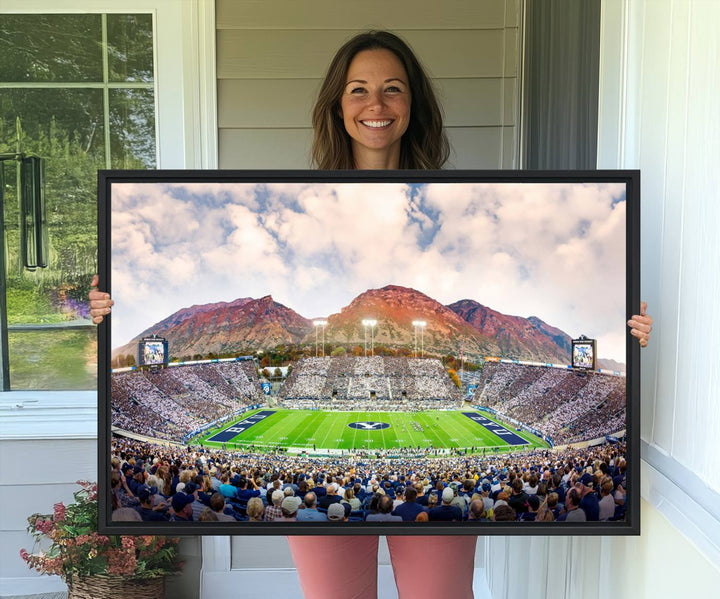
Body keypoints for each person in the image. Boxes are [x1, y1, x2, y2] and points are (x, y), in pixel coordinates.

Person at [90, 29, 654, 599]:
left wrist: (628, 330)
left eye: (393, 89)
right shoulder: (299, 197)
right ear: (338, 104)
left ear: (413, 105)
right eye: (358, 89)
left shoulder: (459, 194)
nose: (375, 105)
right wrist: (108, 312)